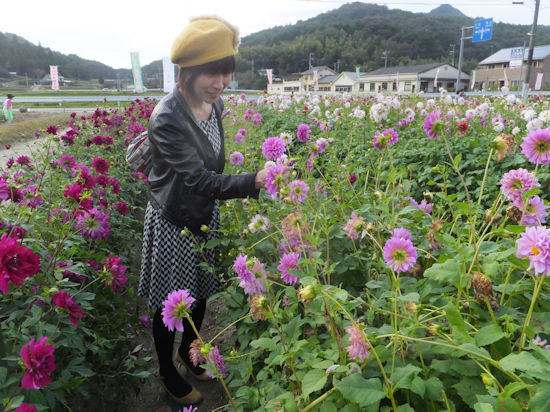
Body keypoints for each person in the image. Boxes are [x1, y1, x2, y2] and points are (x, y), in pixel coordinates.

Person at [138, 16, 269, 406]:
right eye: (213, 74)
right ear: (189, 71)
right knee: (170, 304)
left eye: (227, 73)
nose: (221, 83)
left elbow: (212, 166)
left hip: (203, 216)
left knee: (200, 297)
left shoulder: (215, 105)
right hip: (172, 221)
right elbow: (197, 179)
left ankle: (187, 354)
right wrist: (254, 181)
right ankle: (166, 370)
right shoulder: (166, 118)